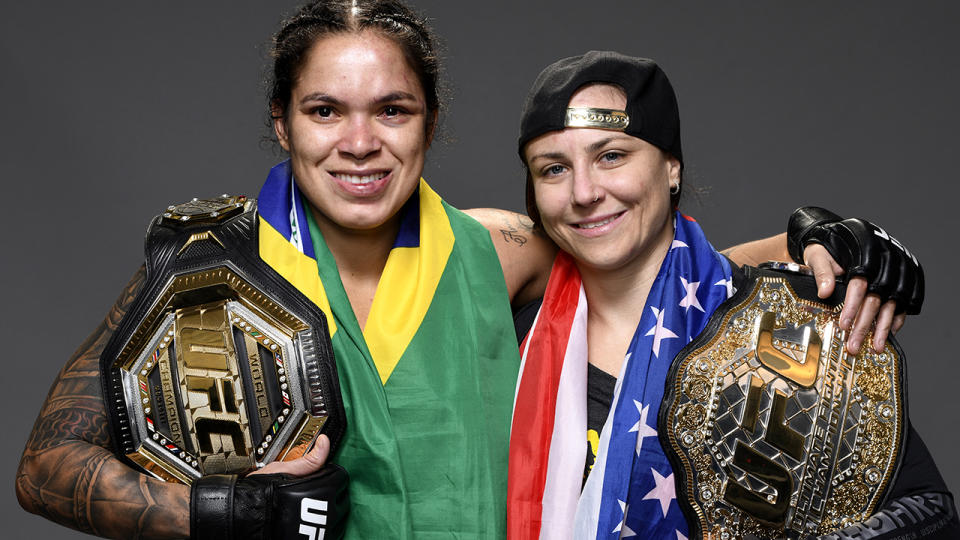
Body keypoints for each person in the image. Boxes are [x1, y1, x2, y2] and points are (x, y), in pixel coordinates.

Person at [14, 2, 918, 539]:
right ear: (284, 125)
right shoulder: (211, 270)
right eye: (326, 110)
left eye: (393, 109)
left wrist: (826, 249)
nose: (361, 143)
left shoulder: (495, 248)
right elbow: (45, 466)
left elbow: (644, 265)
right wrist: (221, 516)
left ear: (431, 124)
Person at [507, 51, 955, 539]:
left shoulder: (783, 325)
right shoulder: (505, 341)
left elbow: (930, 512)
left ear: (671, 167)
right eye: (553, 169)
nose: (584, 191)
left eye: (611, 156)